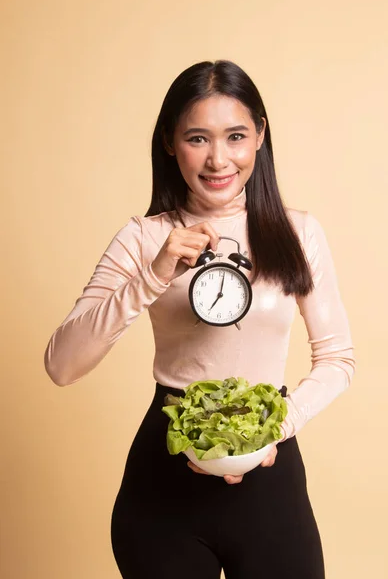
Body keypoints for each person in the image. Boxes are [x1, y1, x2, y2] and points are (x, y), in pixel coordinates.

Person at [44, 59, 356, 579]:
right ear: (170, 143)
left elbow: (337, 359)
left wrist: (271, 430)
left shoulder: (298, 232)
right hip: (163, 488)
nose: (218, 159)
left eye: (235, 136)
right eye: (196, 138)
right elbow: (62, 365)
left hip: (269, 474)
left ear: (259, 135)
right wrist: (152, 275)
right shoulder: (143, 239)